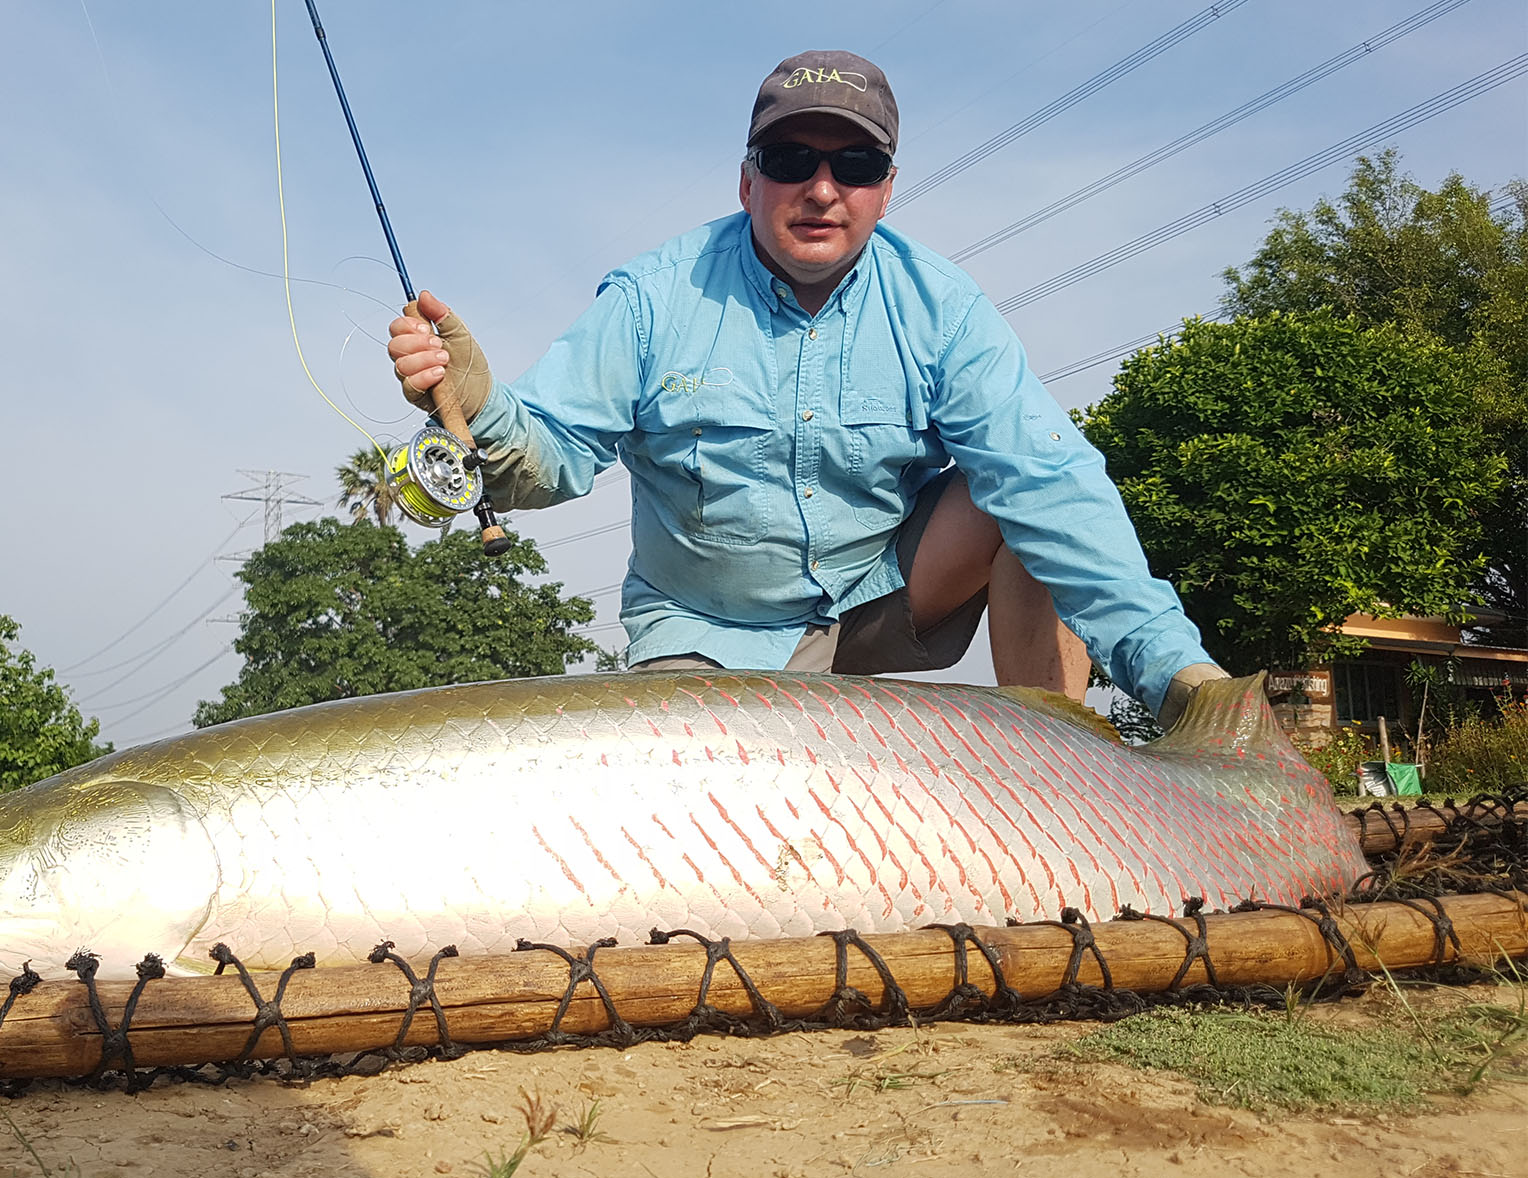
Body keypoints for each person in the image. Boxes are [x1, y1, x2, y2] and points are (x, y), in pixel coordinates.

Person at [387, 50, 1226, 727]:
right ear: (747, 181)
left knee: (1020, 494)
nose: (822, 189)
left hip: (876, 597)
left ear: (887, 191)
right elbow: (550, 459)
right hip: (705, 636)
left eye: (855, 163)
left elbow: (1055, 484)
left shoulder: (943, 310)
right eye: (792, 159)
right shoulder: (652, 300)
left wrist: (1180, 676)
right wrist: (483, 409)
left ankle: (1047, 785)